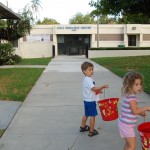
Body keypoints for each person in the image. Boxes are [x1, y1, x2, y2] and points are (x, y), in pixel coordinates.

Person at [118, 71, 150, 150]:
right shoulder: (132, 98)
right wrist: (146, 108)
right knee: (132, 146)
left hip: (124, 123)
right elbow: (134, 111)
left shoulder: (129, 95)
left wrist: (140, 113)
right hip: (126, 126)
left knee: (128, 144)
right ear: (129, 85)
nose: (139, 86)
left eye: (140, 84)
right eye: (136, 84)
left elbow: (132, 110)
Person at [80, 61, 108, 137]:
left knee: (86, 114)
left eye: (92, 69)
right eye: (89, 69)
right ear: (84, 71)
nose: (92, 71)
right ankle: (91, 131)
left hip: (86, 100)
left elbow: (91, 89)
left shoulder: (86, 79)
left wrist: (98, 91)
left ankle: (82, 127)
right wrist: (102, 87)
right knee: (93, 116)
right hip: (91, 101)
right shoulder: (88, 80)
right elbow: (94, 88)